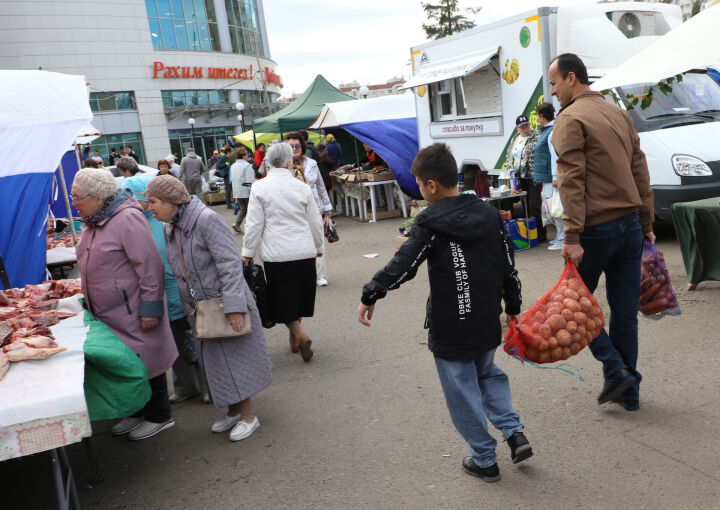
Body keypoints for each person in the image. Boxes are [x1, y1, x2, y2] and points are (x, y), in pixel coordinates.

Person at [357, 143, 531, 482]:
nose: (420, 190)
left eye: (419, 184)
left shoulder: (430, 221)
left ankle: (484, 459)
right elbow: (508, 267)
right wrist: (513, 308)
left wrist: (372, 292)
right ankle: (514, 433)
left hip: (451, 326)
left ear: (431, 185)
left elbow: (404, 264)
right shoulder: (490, 215)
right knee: (488, 374)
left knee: (462, 390)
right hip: (484, 318)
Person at [549, 53, 655, 411]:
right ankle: (630, 392)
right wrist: (647, 223)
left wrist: (572, 235)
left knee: (572, 309)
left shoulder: (570, 118)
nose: (552, 91)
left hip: (595, 230)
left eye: (554, 83)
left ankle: (614, 369)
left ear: (572, 79)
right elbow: (640, 170)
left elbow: (571, 181)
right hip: (629, 225)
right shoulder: (618, 113)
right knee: (623, 313)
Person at [146, 175, 273, 442]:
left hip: (225, 304)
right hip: (202, 309)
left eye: (153, 201)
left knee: (234, 361)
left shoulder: (206, 220)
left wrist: (235, 306)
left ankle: (249, 416)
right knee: (215, 363)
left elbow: (229, 264)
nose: (149, 207)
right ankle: (233, 410)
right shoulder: (172, 225)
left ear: (171, 200)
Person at [72, 168, 178, 441]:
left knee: (147, 363)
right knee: (125, 364)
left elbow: (150, 266)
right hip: (110, 312)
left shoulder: (127, 218)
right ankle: (137, 410)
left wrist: (151, 307)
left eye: (77, 197)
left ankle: (159, 416)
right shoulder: (94, 219)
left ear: (97, 198)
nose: (74, 202)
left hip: (133, 308)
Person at [123, 175, 209, 404]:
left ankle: (207, 385)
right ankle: (185, 386)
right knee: (173, 343)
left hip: (179, 291)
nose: (127, 200)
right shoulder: (136, 220)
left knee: (196, 340)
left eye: (131, 195)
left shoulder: (164, 221)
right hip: (159, 295)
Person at [241, 142, 323, 362]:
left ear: (268, 162)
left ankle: (299, 335)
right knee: (297, 297)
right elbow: (314, 221)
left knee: (282, 298)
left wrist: (248, 251)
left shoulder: (260, 187)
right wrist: (318, 246)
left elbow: (254, 223)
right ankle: (295, 338)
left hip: (277, 254)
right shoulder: (301, 187)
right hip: (303, 250)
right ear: (289, 161)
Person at [284, 132, 333, 287]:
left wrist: (327, 207)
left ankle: (320, 275)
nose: (295, 149)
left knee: (318, 242)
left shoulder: (311, 163)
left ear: (302, 146)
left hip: (314, 208)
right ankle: (301, 276)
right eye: (291, 146)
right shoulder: (283, 167)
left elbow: (320, 186)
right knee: (296, 244)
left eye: (297, 145)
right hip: (293, 211)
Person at [505, 115, 544, 242]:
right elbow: (509, 157)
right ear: (517, 128)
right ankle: (530, 234)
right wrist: (510, 171)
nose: (525, 128)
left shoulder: (536, 136)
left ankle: (541, 232)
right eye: (522, 127)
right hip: (519, 177)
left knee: (534, 205)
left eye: (527, 125)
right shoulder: (515, 138)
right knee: (525, 206)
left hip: (533, 176)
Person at [533, 102, 564, 250]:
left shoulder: (551, 131)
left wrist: (555, 177)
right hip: (547, 177)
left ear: (542, 116)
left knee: (556, 208)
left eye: (538, 116)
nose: (538, 119)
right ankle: (559, 236)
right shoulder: (546, 130)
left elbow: (554, 156)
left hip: (550, 177)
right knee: (552, 208)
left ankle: (562, 239)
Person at [230, 147, 255, 234]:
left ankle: (237, 224)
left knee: (243, 208)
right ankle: (250, 227)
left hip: (237, 190)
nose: (248, 156)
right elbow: (250, 181)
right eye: (247, 154)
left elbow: (231, 179)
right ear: (243, 156)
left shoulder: (233, 166)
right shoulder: (247, 165)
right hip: (246, 191)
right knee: (250, 209)